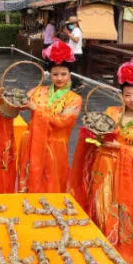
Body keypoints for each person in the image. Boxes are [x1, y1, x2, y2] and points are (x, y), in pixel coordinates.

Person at [68, 56, 133, 264]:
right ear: (121, 95)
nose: (132, 99)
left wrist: (120, 148)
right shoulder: (111, 112)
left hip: (126, 173)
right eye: (127, 95)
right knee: (99, 206)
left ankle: (120, 253)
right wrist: (94, 137)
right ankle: (97, 248)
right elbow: (98, 137)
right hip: (102, 166)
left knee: (122, 212)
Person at [16, 40, 82, 193]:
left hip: (55, 147)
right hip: (31, 143)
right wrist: (6, 99)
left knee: (52, 186)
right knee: (28, 182)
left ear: (70, 74)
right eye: (55, 74)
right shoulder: (38, 90)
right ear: (49, 74)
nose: (59, 78)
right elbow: (18, 105)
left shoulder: (74, 99)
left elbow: (63, 122)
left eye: (63, 74)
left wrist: (36, 109)